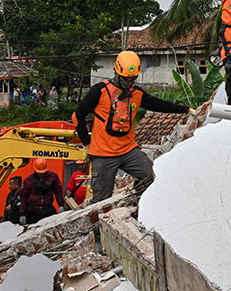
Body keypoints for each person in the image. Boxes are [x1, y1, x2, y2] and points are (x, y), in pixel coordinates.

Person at [75, 50, 190, 202]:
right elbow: (77, 116)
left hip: (128, 150)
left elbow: (158, 104)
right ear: (117, 72)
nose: (129, 82)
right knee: (101, 201)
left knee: (153, 176)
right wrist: (86, 143)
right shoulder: (100, 91)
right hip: (103, 154)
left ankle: (138, 202)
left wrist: (185, 109)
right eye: (126, 79)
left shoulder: (136, 93)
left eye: (132, 78)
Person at [18, 159, 63, 225]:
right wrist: (22, 213)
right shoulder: (28, 180)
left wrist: (61, 205)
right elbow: (23, 197)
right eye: (39, 173)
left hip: (47, 209)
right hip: (32, 211)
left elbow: (58, 191)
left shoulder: (53, 177)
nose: (41, 175)